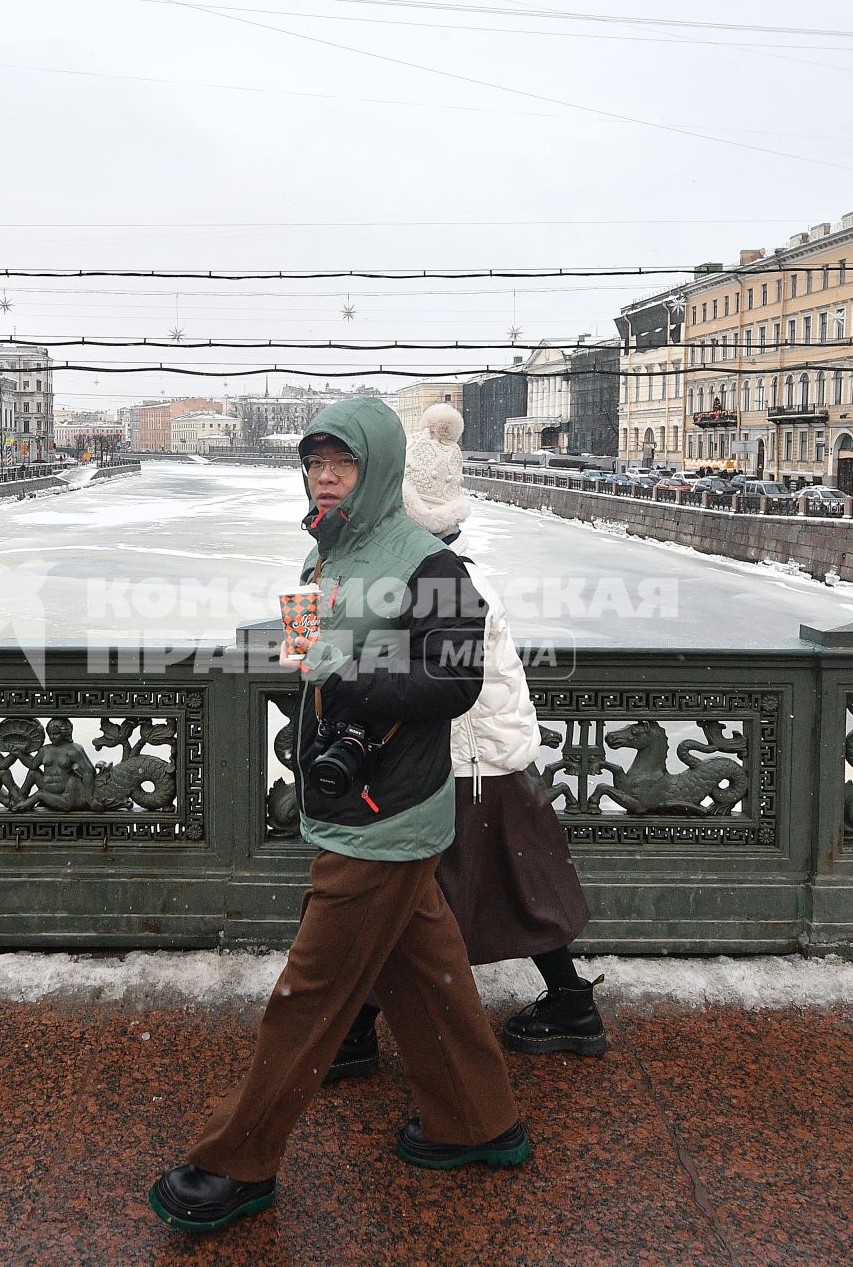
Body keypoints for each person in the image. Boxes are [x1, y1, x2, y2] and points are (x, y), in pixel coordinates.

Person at [150, 397, 529, 1234]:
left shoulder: (431, 566)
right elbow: (310, 658)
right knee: (422, 969)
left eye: (343, 463)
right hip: (350, 794)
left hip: (387, 810)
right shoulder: (325, 554)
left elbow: (456, 680)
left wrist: (352, 679)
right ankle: (479, 1121)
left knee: (309, 994)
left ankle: (234, 1161)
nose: (325, 475)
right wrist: (324, 678)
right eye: (316, 461)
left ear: (381, 470)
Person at [329, 405, 601, 1083]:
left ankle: (385, 1040)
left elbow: (428, 679)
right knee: (498, 892)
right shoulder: (447, 570)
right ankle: (569, 1005)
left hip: (462, 764)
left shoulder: (436, 578)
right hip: (477, 761)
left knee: (413, 902)